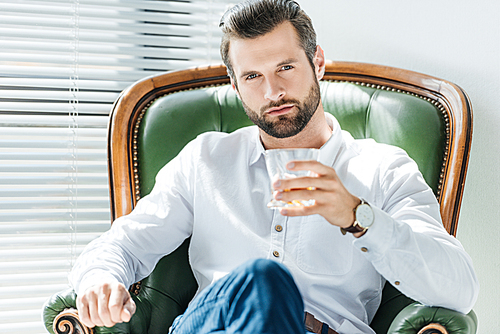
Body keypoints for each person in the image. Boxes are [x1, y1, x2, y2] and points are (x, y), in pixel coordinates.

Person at [69, 0, 479, 333]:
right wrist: (99, 280)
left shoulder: (382, 169)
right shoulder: (205, 159)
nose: (273, 91)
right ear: (234, 85)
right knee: (262, 282)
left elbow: (459, 289)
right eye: (252, 76)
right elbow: (122, 243)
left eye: (286, 67)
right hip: (213, 328)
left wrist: (359, 217)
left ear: (317, 62)